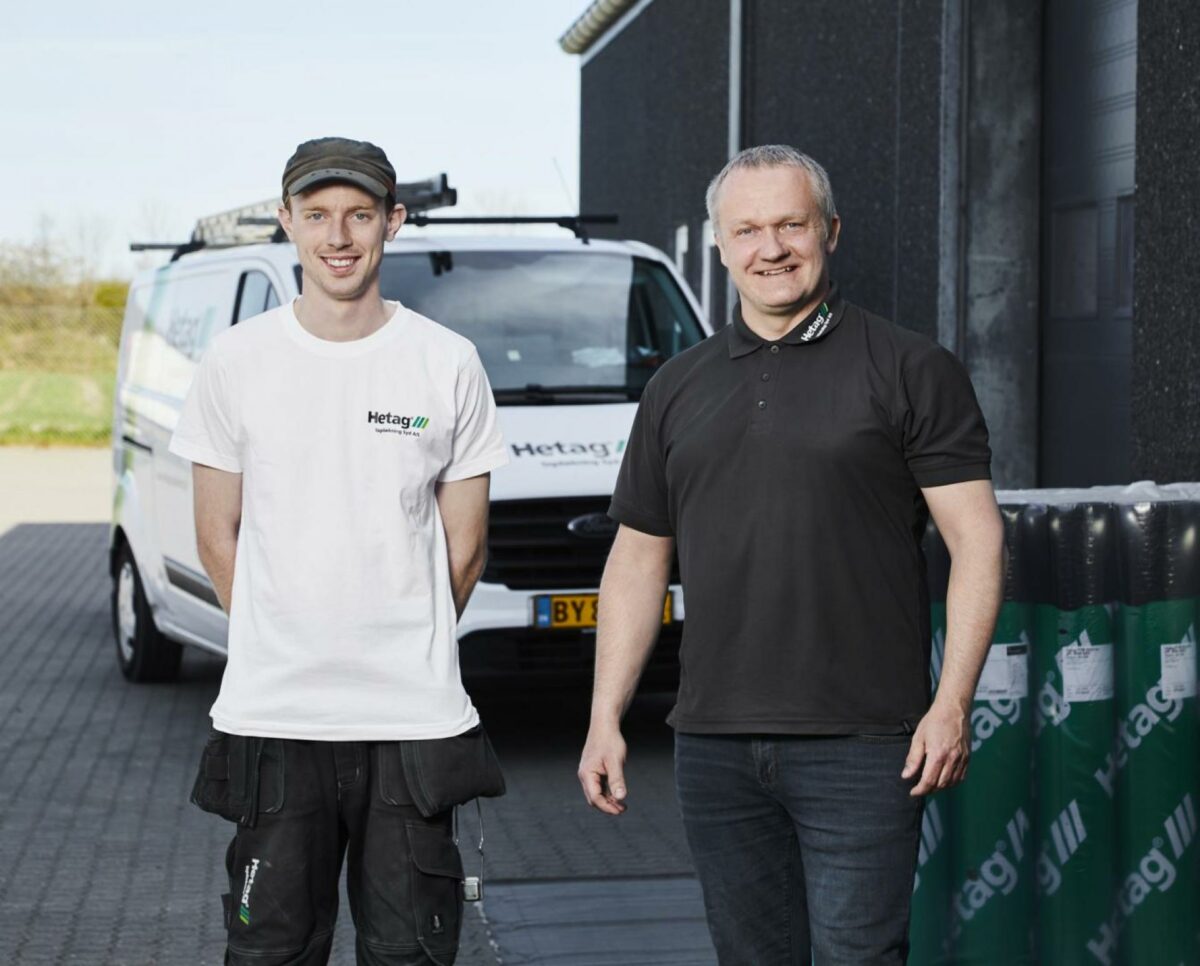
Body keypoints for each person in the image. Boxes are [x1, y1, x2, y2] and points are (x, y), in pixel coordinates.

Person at [578, 144, 1005, 964]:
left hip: (866, 741)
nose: (769, 248)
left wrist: (950, 704)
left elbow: (977, 538)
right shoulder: (676, 386)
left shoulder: (912, 368)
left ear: (830, 232)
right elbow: (635, 561)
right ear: (719, 245)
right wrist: (604, 719)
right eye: (747, 230)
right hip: (713, 744)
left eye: (790, 225)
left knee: (858, 956)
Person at [171, 137, 508, 965]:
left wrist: (401, 638)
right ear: (286, 222)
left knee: (411, 955)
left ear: (393, 222)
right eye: (317, 214)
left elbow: (466, 549)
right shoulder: (237, 360)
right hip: (277, 716)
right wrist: (281, 636)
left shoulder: (446, 362)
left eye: (360, 214)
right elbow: (218, 533)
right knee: (271, 952)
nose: (339, 236)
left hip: (413, 722)